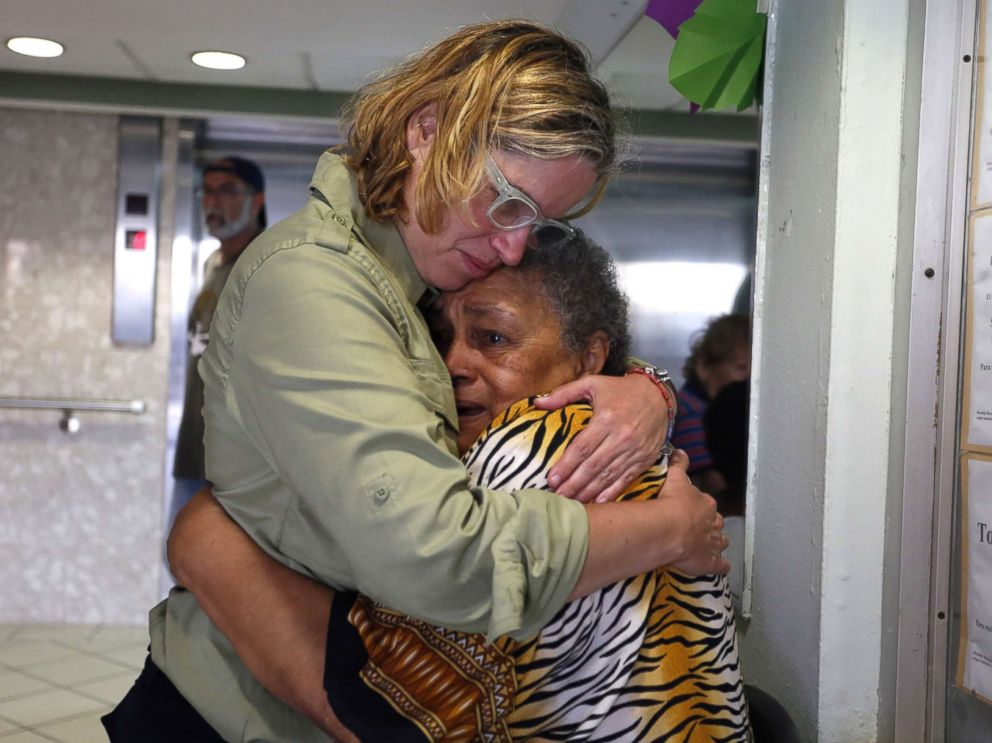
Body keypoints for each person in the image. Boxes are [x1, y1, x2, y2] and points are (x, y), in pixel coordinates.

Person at [104, 20, 728, 742]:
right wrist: (670, 527)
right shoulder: (314, 283)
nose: (514, 244)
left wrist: (645, 386)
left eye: (539, 220)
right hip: (235, 714)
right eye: (507, 202)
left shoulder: (418, 275)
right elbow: (438, 555)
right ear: (427, 130)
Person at [167, 231, 750, 742]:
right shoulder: (617, 436)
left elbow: (398, 702)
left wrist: (208, 544)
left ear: (588, 357)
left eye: (493, 338)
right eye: (440, 337)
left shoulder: (537, 455)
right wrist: (651, 385)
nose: (453, 364)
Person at [169, 156, 267, 528]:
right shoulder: (214, 265)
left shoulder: (264, 264)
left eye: (227, 191)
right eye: (207, 191)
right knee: (180, 568)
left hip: (234, 465)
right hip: (195, 452)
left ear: (256, 201)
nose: (213, 202)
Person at [670, 313, 751, 497]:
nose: (749, 379)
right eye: (741, 368)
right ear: (704, 367)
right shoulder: (691, 413)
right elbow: (711, 482)